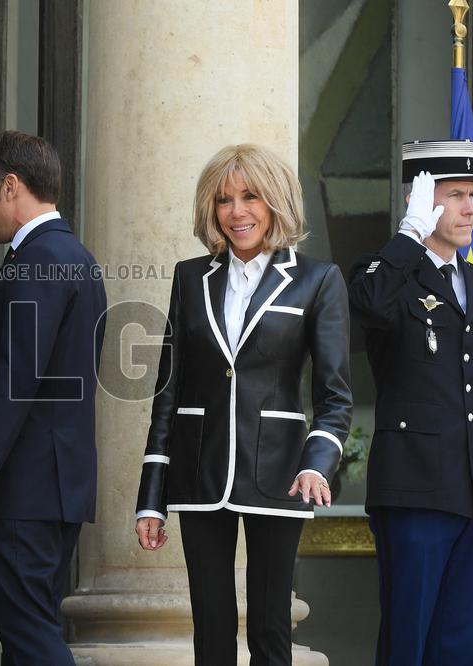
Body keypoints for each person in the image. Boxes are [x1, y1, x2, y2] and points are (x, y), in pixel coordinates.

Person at [134, 144, 352, 666]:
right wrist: (151, 496)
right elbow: (169, 390)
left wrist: (316, 464)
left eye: (250, 196)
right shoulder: (190, 277)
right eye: (224, 200)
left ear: (276, 201)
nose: (236, 212)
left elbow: (335, 396)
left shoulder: (317, 280)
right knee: (209, 630)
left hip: (280, 473)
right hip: (199, 470)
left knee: (271, 628)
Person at [0, 130, 107, 665]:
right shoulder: (76, 257)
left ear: (12, 187)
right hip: (57, 486)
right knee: (29, 638)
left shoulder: (39, 261)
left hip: (25, 488)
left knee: (30, 639)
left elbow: (14, 379)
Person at [349, 140, 473, 665]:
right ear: (421, 201)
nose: (470, 208)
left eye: (472, 195)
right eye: (454, 195)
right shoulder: (387, 276)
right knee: (407, 641)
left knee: (462, 642)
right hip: (415, 489)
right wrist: (409, 236)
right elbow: (368, 304)